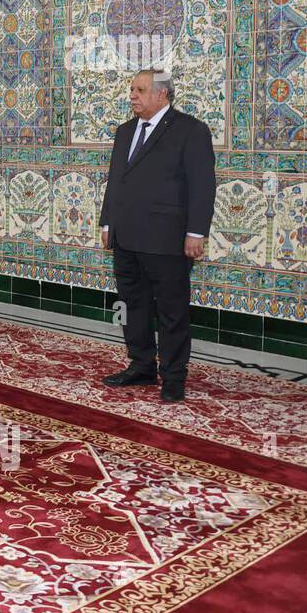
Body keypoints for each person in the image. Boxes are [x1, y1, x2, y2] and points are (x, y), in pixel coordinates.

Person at [99, 69, 215, 403]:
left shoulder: (190, 131)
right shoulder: (125, 132)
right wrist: (108, 224)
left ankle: (174, 376)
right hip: (126, 237)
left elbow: (202, 186)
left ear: (162, 94)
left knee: (171, 310)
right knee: (130, 304)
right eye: (132, 89)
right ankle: (141, 364)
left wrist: (196, 232)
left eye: (140, 89)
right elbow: (116, 181)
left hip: (167, 240)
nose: (132, 95)